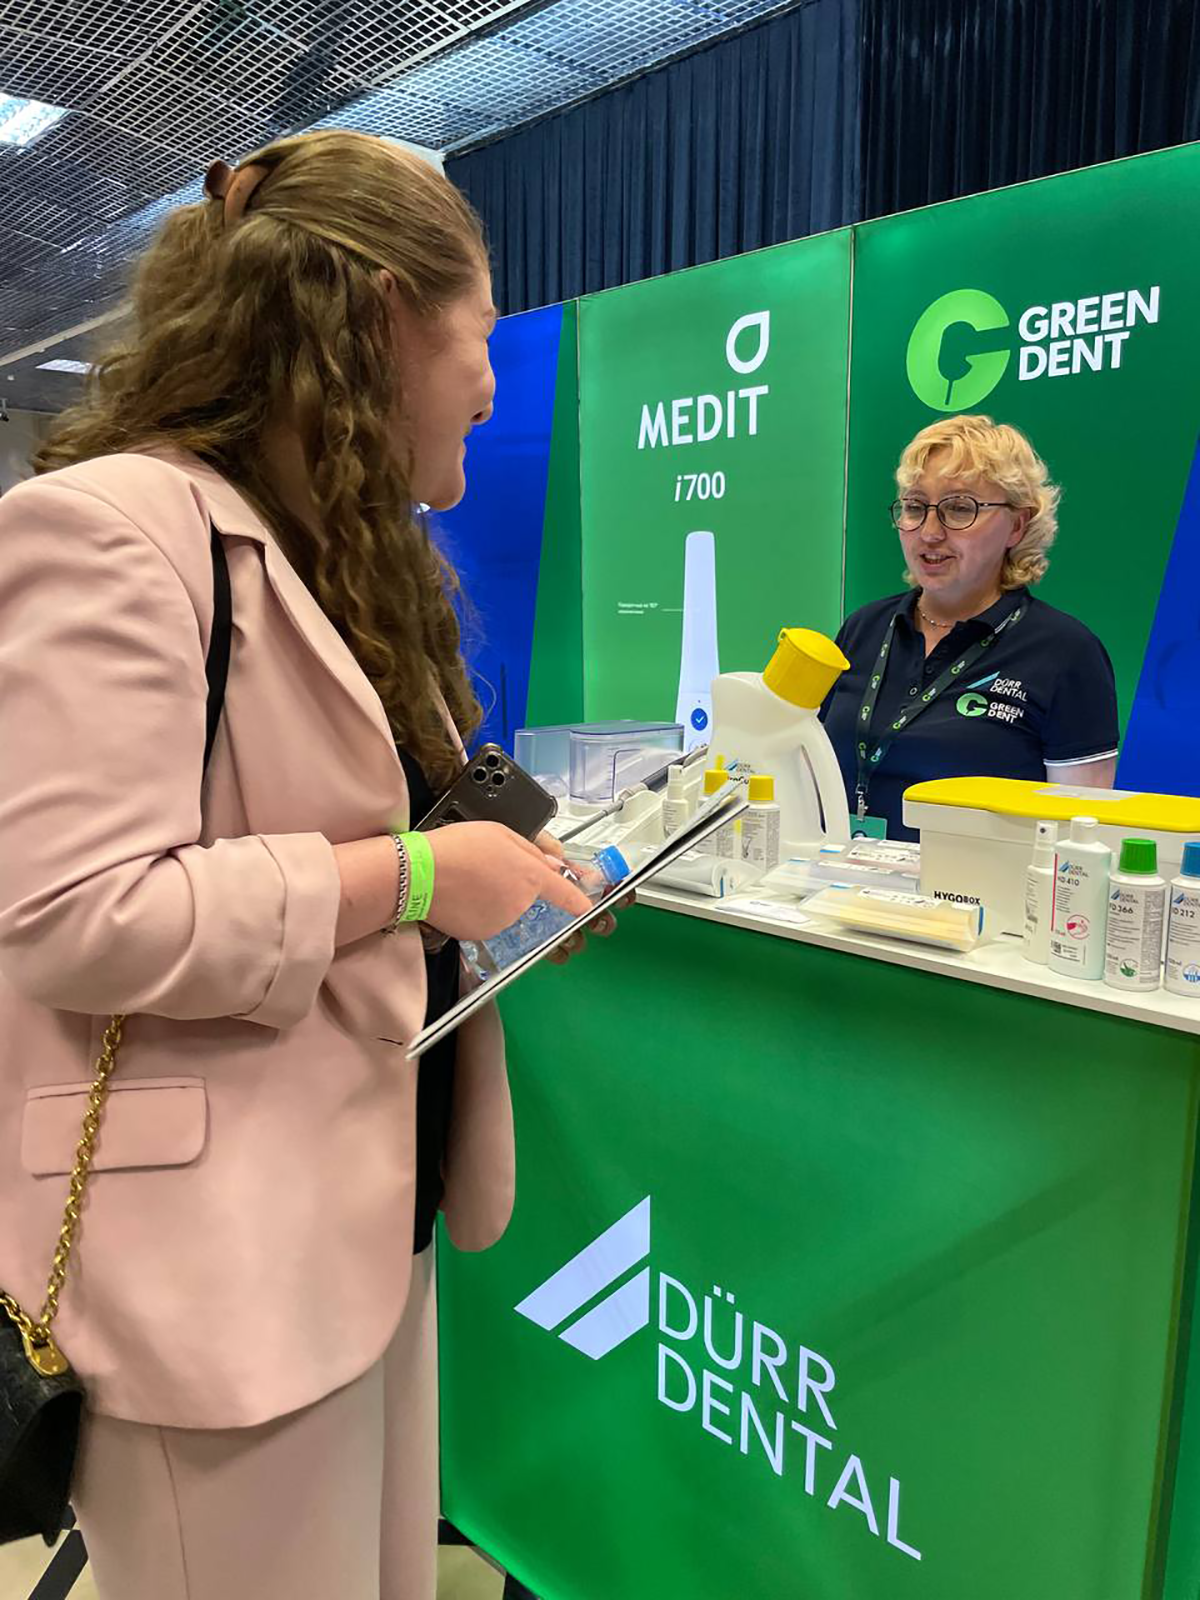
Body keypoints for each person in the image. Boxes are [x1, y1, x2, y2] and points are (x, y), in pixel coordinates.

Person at [0, 132, 613, 1600]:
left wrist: (506, 885)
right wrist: (416, 880)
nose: (491, 380)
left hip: (364, 1219)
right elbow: (76, 913)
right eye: (482, 329)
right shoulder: (110, 530)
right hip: (213, 1267)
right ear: (386, 315)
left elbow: (384, 827)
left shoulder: (342, 553)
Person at [822, 415, 1119, 841]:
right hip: (838, 875)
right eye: (915, 507)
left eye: (960, 508)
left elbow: (1079, 840)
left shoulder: (1066, 652)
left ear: (1017, 525)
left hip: (984, 884)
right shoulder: (864, 628)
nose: (929, 533)